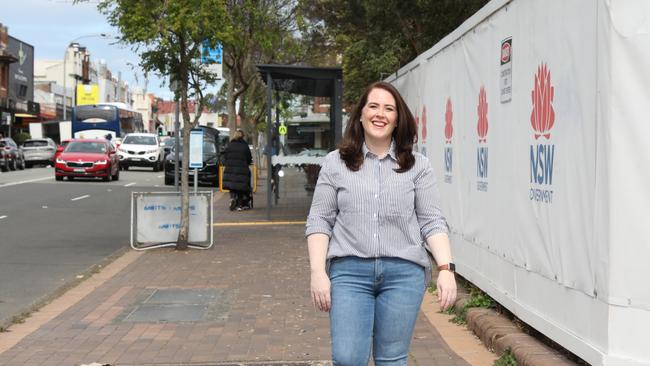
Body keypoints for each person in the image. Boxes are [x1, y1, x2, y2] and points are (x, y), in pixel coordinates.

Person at [306, 81, 457, 366]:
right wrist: (317, 272)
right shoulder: (335, 163)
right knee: (348, 358)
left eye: (389, 108)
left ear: (398, 119)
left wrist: (446, 269)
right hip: (349, 273)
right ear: (360, 115)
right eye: (373, 106)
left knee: (392, 359)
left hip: (403, 274)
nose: (380, 114)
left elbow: (431, 221)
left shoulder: (418, 166)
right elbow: (319, 221)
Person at [222, 129, 253, 211]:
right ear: (242, 136)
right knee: (240, 187)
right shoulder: (245, 146)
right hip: (242, 170)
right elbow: (249, 158)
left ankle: (232, 198)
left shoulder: (229, 145)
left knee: (232, 186)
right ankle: (239, 205)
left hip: (230, 169)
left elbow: (225, 157)